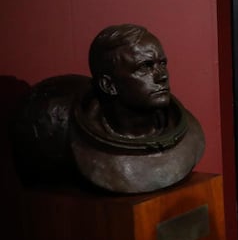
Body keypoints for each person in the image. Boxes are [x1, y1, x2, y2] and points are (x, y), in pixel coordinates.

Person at [70, 24, 205, 193]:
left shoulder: (189, 135)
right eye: (145, 67)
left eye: (162, 63)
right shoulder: (89, 153)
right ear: (109, 85)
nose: (162, 76)